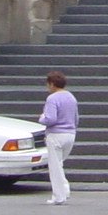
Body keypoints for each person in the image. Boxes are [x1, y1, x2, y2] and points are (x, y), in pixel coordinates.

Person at [39, 70, 79, 206]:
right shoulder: (71, 97)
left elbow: (50, 119)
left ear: (52, 84)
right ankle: (65, 190)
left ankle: (59, 196)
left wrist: (41, 118)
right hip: (70, 134)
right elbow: (76, 118)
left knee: (54, 167)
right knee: (59, 163)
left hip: (56, 135)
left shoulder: (52, 99)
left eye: (48, 84)